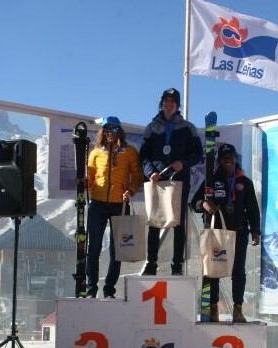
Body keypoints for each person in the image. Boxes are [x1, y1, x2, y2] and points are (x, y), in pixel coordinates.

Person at [190, 143, 261, 322]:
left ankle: (238, 309)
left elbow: (253, 208)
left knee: (238, 271)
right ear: (219, 161)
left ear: (235, 159)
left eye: (231, 158)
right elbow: (194, 203)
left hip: (239, 232)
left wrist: (255, 230)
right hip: (217, 234)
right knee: (213, 270)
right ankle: (212, 308)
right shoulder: (211, 181)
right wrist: (203, 204)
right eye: (225, 158)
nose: (228, 161)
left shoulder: (245, 182)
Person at [139, 88, 203, 275]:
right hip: (157, 179)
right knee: (154, 221)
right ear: (162, 103)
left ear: (177, 105)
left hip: (179, 179)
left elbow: (197, 154)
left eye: (173, 102)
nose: (169, 104)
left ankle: (177, 265)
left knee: (178, 223)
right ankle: (152, 263)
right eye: (166, 101)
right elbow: (144, 156)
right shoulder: (151, 127)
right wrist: (150, 172)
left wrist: (182, 163)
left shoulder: (188, 127)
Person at [84, 116, 142, 298]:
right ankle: (91, 289)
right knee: (93, 248)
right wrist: (85, 184)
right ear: (102, 131)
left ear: (120, 131)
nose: (110, 132)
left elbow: (138, 175)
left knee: (117, 250)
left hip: (120, 205)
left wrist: (131, 191)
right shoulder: (95, 153)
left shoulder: (130, 152)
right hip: (98, 204)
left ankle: (109, 289)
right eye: (107, 129)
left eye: (114, 129)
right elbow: (90, 178)